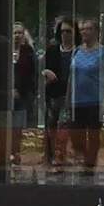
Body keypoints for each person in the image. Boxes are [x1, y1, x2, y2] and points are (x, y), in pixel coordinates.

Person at [68, 17, 104, 176]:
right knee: (76, 134)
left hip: (94, 99)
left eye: (88, 29)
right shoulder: (76, 51)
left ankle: (89, 165)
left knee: (93, 134)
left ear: (96, 31)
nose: (84, 32)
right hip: (77, 100)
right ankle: (83, 158)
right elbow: (71, 76)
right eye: (82, 30)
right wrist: (68, 97)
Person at [41, 16, 74, 168]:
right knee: (50, 127)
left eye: (68, 31)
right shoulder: (52, 51)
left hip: (68, 95)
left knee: (63, 126)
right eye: (62, 32)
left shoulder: (77, 52)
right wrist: (45, 72)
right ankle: (51, 155)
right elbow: (40, 69)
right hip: (52, 94)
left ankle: (60, 157)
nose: (65, 35)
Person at [9, 22, 38, 166]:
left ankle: (16, 153)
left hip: (23, 95)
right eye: (15, 33)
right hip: (6, 94)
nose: (17, 35)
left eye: (20, 33)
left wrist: (27, 92)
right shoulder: (5, 51)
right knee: (7, 126)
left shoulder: (28, 51)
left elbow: (32, 75)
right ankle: (7, 152)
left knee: (18, 126)